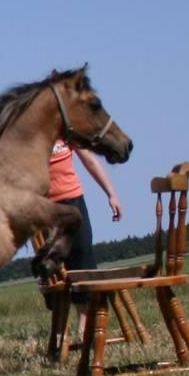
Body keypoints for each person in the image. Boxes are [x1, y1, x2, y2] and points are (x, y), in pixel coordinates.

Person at [47, 138, 123, 336]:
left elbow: (90, 160)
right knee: (53, 269)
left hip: (73, 201)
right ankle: (60, 328)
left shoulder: (67, 131)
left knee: (82, 257)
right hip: (45, 207)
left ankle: (84, 324)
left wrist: (111, 194)